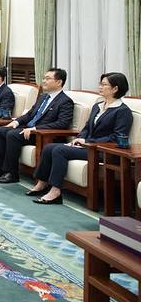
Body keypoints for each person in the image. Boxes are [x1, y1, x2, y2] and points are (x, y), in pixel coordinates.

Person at [27, 72, 133, 204]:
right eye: (100, 84)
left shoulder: (122, 111)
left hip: (102, 151)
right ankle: (41, 184)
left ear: (115, 89)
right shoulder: (98, 106)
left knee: (59, 150)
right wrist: (78, 139)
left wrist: (87, 141)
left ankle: (55, 191)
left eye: (104, 85)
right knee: (49, 148)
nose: (100, 87)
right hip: (87, 146)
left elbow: (117, 137)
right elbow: (87, 127)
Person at [0, 68, 74, 184]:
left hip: (43, 135)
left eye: (48, 78)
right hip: (29, 129)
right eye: (44, 78)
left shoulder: (65, 101)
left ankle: (12, 174)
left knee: (12, 135)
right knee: (1, 130)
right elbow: (30, 114)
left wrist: (36, 129)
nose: (44, 81)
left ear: (59, 82)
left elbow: (62, 123)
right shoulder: (43, 97)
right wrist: (16, 122)